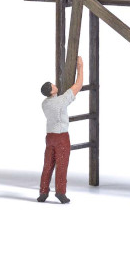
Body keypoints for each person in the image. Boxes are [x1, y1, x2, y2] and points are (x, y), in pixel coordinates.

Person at [38, 56, 84, 204]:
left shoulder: (44, 104)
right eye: (53, 85)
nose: (55, 85)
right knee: (62, 165)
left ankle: (43, 192)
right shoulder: (61, 101)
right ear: (52, 91)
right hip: (61, 137)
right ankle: (60, 192)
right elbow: (78, 85)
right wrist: (80, 68)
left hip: (49, 137)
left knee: (48, 165)